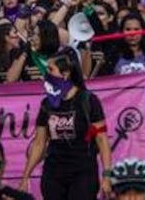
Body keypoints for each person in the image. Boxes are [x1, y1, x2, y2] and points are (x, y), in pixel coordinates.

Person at [19, 50, 113, 200]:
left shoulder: (88, 101)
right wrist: (25, 177)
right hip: (53, 173)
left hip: (83, 173)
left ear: (65, 74)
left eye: (50, 69)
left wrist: (107, 176)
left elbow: (102, 140)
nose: (46, 74)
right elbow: (39, 143)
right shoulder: (47, 104)